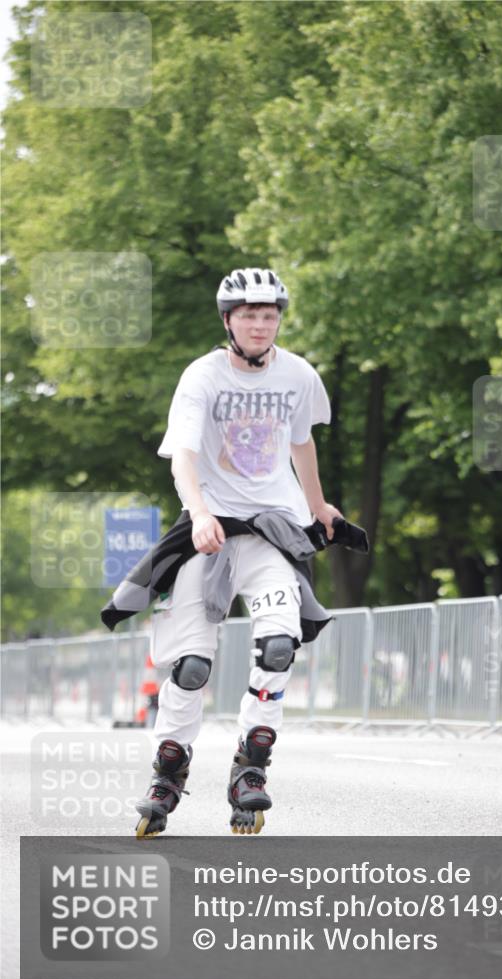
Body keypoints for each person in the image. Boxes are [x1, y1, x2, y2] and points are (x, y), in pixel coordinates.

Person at [134, 267, 346, 838]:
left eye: (269, 314)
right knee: (192, 664)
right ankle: (168, 767)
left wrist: (319, 506)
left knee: (279, 644)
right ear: (228, 321)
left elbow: (301, 441)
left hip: (271, 529)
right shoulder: (202, 376)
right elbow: (182, 455)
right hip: (210, 528)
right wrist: (200, 514)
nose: (260, 324)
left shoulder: (298, 374)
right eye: (249, 315)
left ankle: (251, 765)